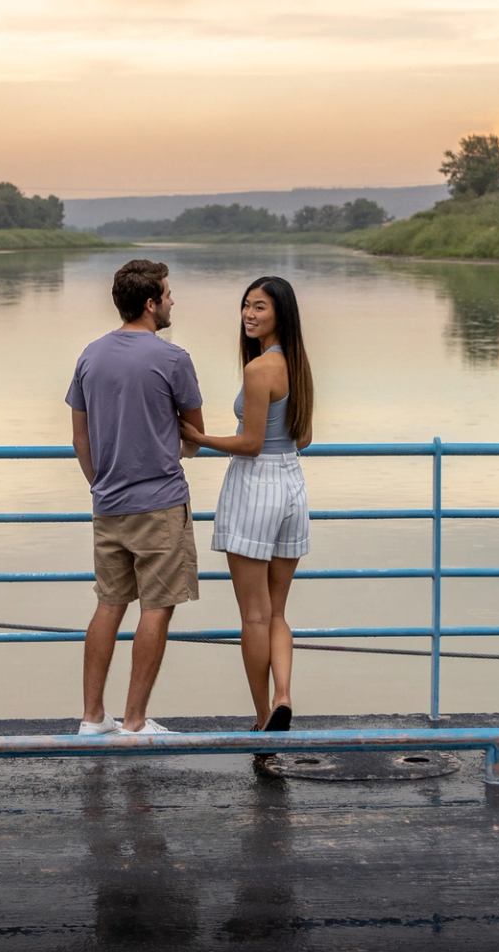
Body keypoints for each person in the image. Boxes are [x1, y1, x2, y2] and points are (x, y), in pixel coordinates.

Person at [66, 259, 205, 736]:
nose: (172, 301)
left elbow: (79, 437)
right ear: (150, 304)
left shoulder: (91, 355)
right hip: (160, 503)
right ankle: (135, 721)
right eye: (167, 294)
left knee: (109, 604)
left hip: (107, 502)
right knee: (156, 607)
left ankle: (91, 718)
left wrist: (99, 480)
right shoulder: (172, 359)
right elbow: (194, 436)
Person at [179, 276, 314, 735]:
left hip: (256, 487)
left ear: (281, 313)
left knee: (253, 616)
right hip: (293, 484)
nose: (249, 315)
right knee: (277, 612)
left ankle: (262, 718)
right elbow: (305, 437)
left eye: (260, 307)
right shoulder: (298, 365)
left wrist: (199, 438)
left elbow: (251, 444)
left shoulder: (260, 371)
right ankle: (284, 697)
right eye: (246, 306)